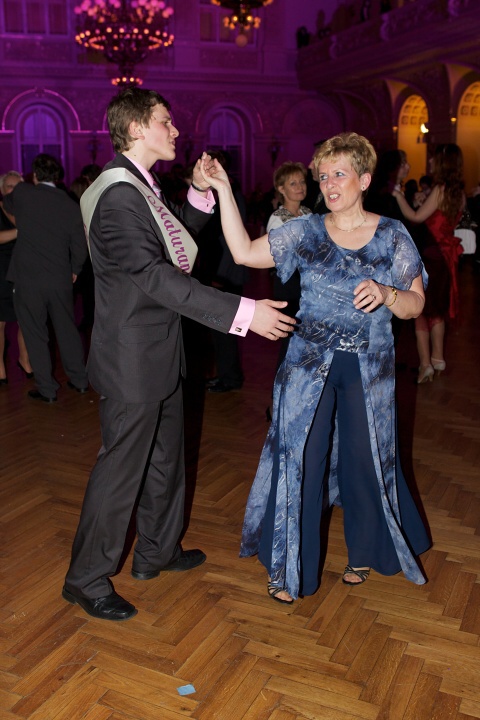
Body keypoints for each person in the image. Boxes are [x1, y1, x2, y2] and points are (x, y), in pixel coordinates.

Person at [62, 87, 295, 622]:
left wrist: (197, 192)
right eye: (165, 121)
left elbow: (174, 246)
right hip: (132, 359)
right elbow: (155, 276)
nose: (175, 130)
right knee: (122, 471)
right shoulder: (119, 195)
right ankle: (85, 578)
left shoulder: (141, 185)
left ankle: (156, 551)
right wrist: (244, 313)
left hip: (158, 352)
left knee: (166, 460)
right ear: (137, 128)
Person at [200, 131, 430, 603]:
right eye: (323, 176)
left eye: (339, 174)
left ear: (364, 179)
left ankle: (363, 552)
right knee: (299, 458)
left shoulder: (392, 234)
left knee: (365, 460)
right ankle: (289, 568)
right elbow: (243, 252)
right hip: (307, 364)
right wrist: (223, 190)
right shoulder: (305, 231)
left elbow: (415, 304)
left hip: (369, 366)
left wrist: (386, 293)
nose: (328, 184)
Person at [3, 155, 89, 402]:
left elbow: (6, 204)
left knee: (35, 333)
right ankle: (80, 381)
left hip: (28, 278)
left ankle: (47, 389)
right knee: (67, 330)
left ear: (34, 175)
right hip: (60, 277)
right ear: (58, 176)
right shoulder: (71, 205)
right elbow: (80, 245)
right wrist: (75, 269)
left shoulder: (23, 193)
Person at [393, 143, 465, 383]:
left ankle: (425, 365)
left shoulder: (439, 189)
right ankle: (438, 358)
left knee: (421, 311)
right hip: (445, 257)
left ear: (443, 163)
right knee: (438, 310)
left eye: (434, 159)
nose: (430, 162)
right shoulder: (458, 193)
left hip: (431, 256)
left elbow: (415, 217)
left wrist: (398, 195)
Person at [0, 171, 33, 384]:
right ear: (2, 190)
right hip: (1, 270)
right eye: (9, 186)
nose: (13, 190)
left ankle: (25, 360)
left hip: (24, 270)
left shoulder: (28, 210)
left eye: (17, 186)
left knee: (27, 319)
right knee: (0, 322)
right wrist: (23, 231)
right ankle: (0, 368)